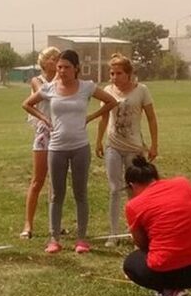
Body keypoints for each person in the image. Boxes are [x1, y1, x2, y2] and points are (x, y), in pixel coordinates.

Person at [22, 49, 118, 254]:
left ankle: (81, 239)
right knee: (56, 194)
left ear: (76, 69)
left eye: (66, 67)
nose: (62, 71)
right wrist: (44, 119)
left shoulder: (86, 87)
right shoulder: (49, 88)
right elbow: (27, 104)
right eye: (59, 67)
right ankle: (54, 238)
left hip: (80, 147)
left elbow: (112, 101)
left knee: (80, 192)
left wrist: (91, 117)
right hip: (56, 148)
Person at [122, 157, 191, 296]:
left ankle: (170, 290)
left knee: (131, 264)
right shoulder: (183, 183)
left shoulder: (134, 205)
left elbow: (142, 245)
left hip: (175, 268)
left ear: (132, 185)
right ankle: (173, 287)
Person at [96, 53, 159, 247]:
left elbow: (151, 118)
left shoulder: (141, 90)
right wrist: (98, 140)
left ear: (129, 74)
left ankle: (136, 231)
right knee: (115, 189)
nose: (114, 77)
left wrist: (154, 144)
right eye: (112, 73)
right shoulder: (107, 90)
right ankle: (113, 234)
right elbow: (104, 118)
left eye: (119, 73)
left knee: (135, 190)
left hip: (134, 147)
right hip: (113, 145)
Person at [20, 46, 60, 240]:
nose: (57, 61)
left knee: (57, 182)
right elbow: (43, 93)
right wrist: (43, 118)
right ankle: (28, 224)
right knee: (37, 180)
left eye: (58, 58)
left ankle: (55, 223)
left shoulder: (64, 79)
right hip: (43, 133)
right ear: (44, 62)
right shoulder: (38, 80)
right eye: (53, 58)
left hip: (61, 132)